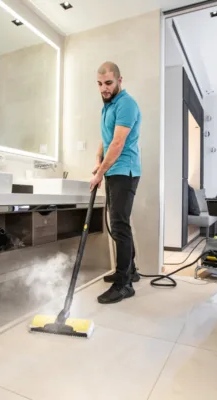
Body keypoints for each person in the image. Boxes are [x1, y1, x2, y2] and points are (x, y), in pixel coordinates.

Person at [90, 62, 142, 304]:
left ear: (120, 80)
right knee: (119, 224)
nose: (104, 88)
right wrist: (99, 162)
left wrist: (100, 173)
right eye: (100, 84)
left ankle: (124, 285)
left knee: (119, 226)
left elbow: (118, 144)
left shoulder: (126, 104)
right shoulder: (108, 106)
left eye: (108, 83)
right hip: (113, 171)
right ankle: (129, 270)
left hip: (125, 171)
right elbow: (106, 138)